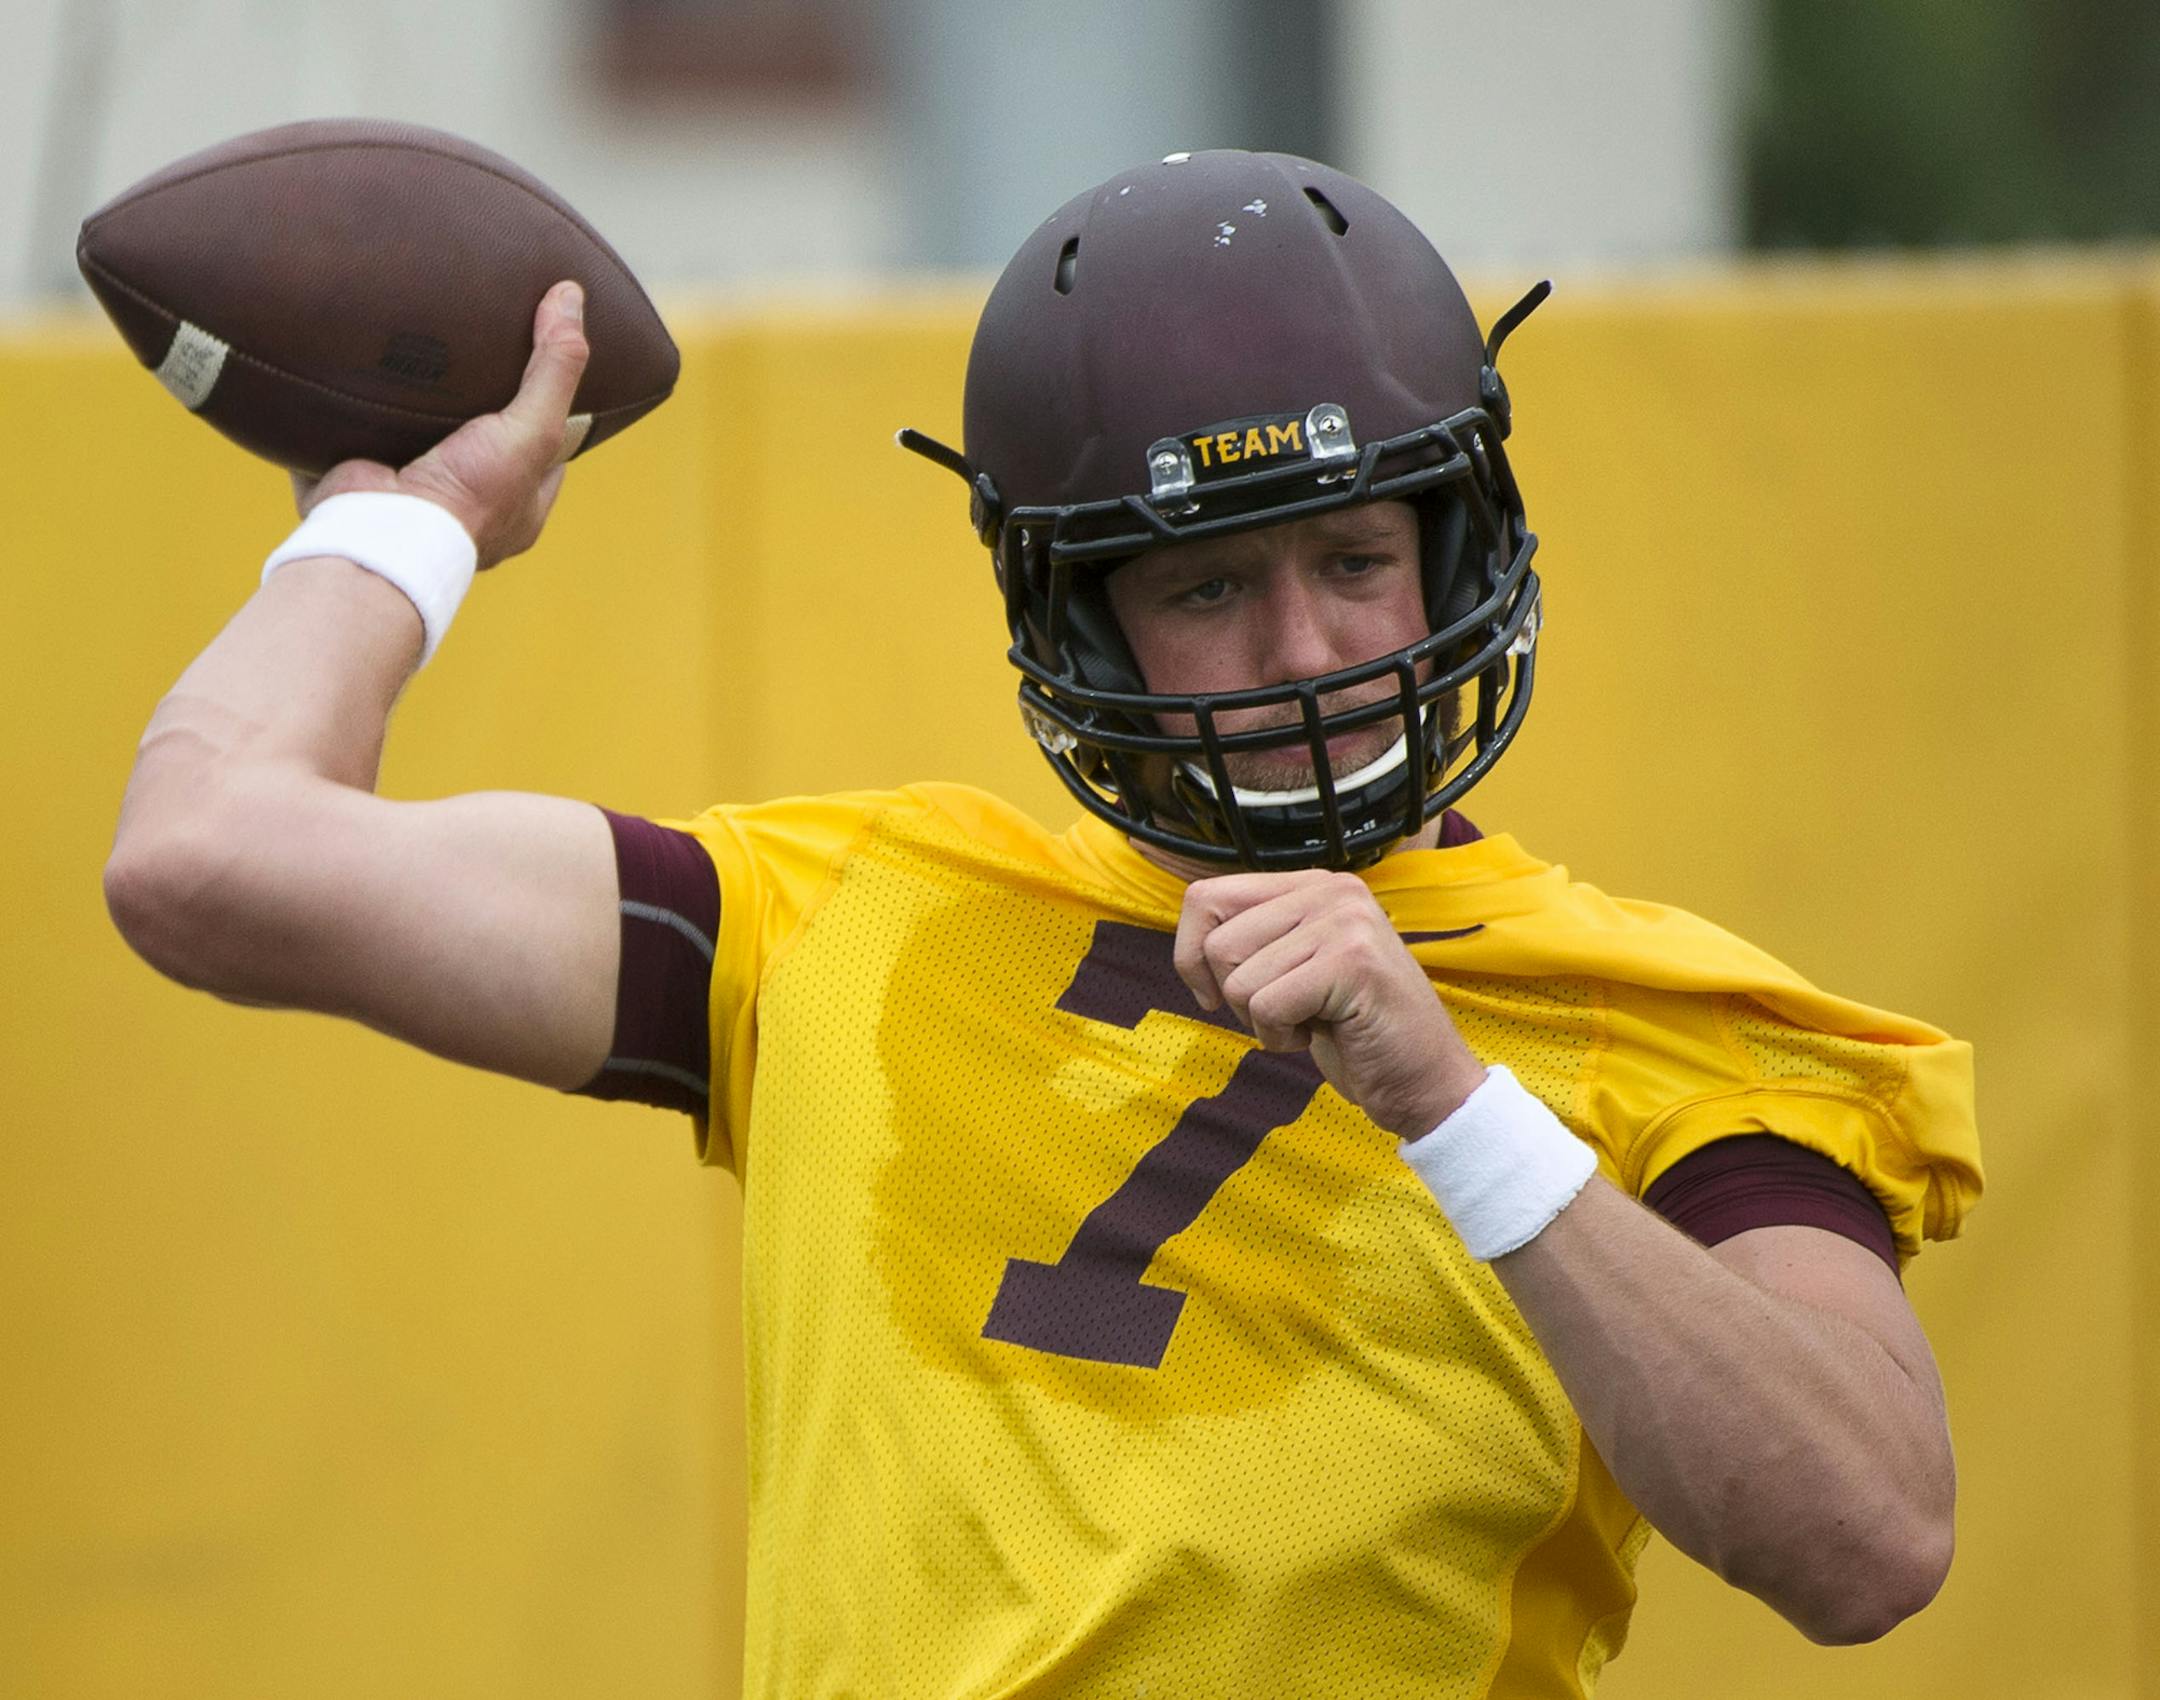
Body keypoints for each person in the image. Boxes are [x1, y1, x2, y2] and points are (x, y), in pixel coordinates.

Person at [104, 151, 1982, 1695]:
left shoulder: (1667, 1023)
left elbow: (1870, 1540)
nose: (1309, 652)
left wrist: (1457, 1103)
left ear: (1454, 552)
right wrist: (409, 522)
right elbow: (209, 857)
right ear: (1082, 622)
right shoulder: (836, 923)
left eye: (1352, 560)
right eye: (1209, 587)